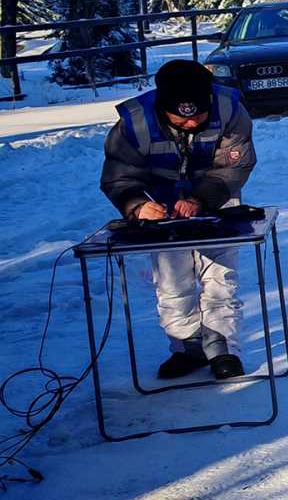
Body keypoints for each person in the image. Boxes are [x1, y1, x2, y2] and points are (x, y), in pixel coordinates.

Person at [100, 59, 256, 382]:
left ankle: (223, 349)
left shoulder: (229, 109)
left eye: (197, 116)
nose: (189, 124)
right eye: (180, 118)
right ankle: (187, 348)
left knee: (220, 280)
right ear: (162, 106)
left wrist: (201, 199)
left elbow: (236, 166)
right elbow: (118, 175)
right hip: (162, 213)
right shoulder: (134, 123)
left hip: (218, 204)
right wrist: (137, 205)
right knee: (171, 284)